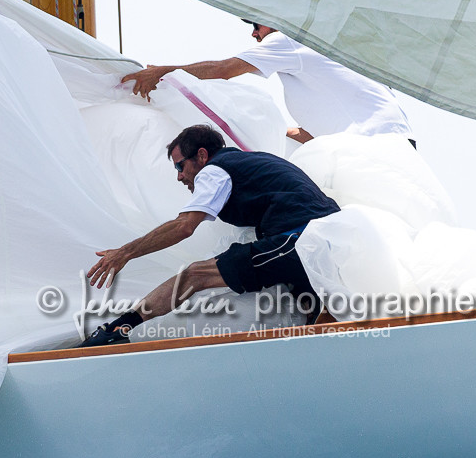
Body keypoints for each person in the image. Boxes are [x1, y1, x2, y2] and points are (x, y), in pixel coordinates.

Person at [78, 124, 340, 347]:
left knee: (195, 275)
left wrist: (125, 253)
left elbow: (184, 226)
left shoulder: (215, 170)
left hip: (300, 239)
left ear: (202, 156)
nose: (180, 177)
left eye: (180, 166)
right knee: (311, 315)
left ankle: (116, 331)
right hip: (326, 241)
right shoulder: (248, 163)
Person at [120, 20, 413, 144]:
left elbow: (224, 69)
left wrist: (165, 71)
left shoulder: (289, 40)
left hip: (377, 146)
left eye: (254, 25)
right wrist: (261, 126)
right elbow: (313, 133)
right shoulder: (326, 48)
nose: (254, 34)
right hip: (393, 144)